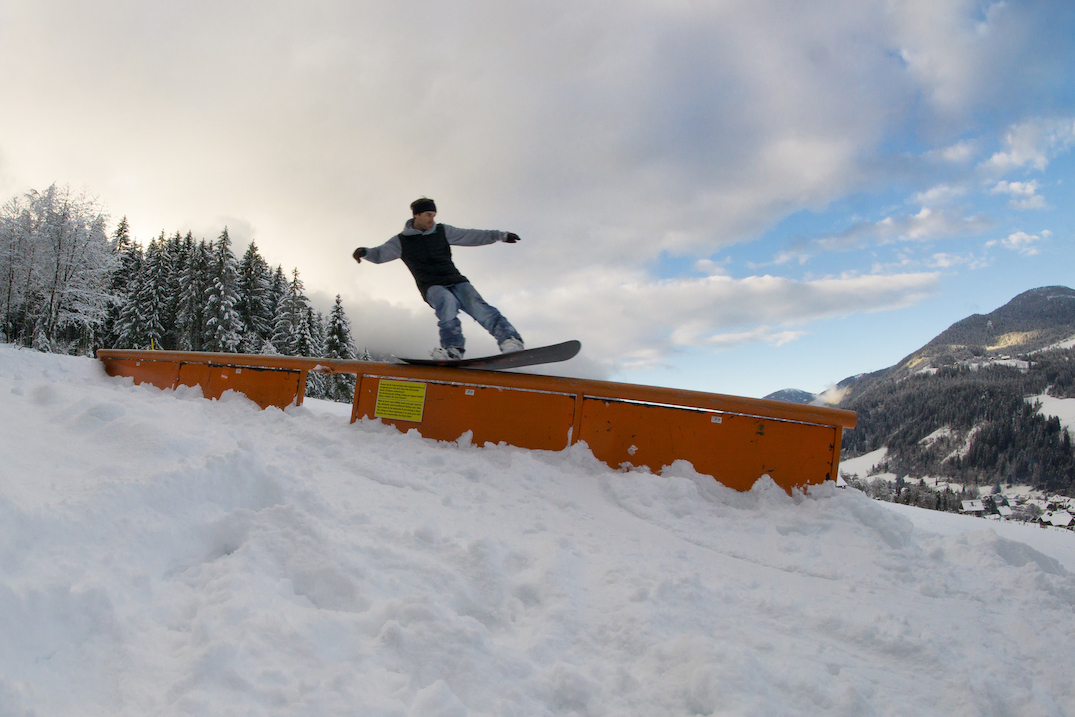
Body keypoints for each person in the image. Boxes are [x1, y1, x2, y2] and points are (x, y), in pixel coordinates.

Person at [353, 198, 524, 360]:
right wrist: (365, 252)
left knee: (476, 304)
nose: (431, 220)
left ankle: (510, 340)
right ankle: (452, 349)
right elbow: (380, 254)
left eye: (433, 216)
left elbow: (470, 235)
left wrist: (500, 235)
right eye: (428, 215)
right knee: (446, 302)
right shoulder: (401, 241)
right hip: (431, 285)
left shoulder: (442, 231)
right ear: (416, 215)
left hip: (455, 279)